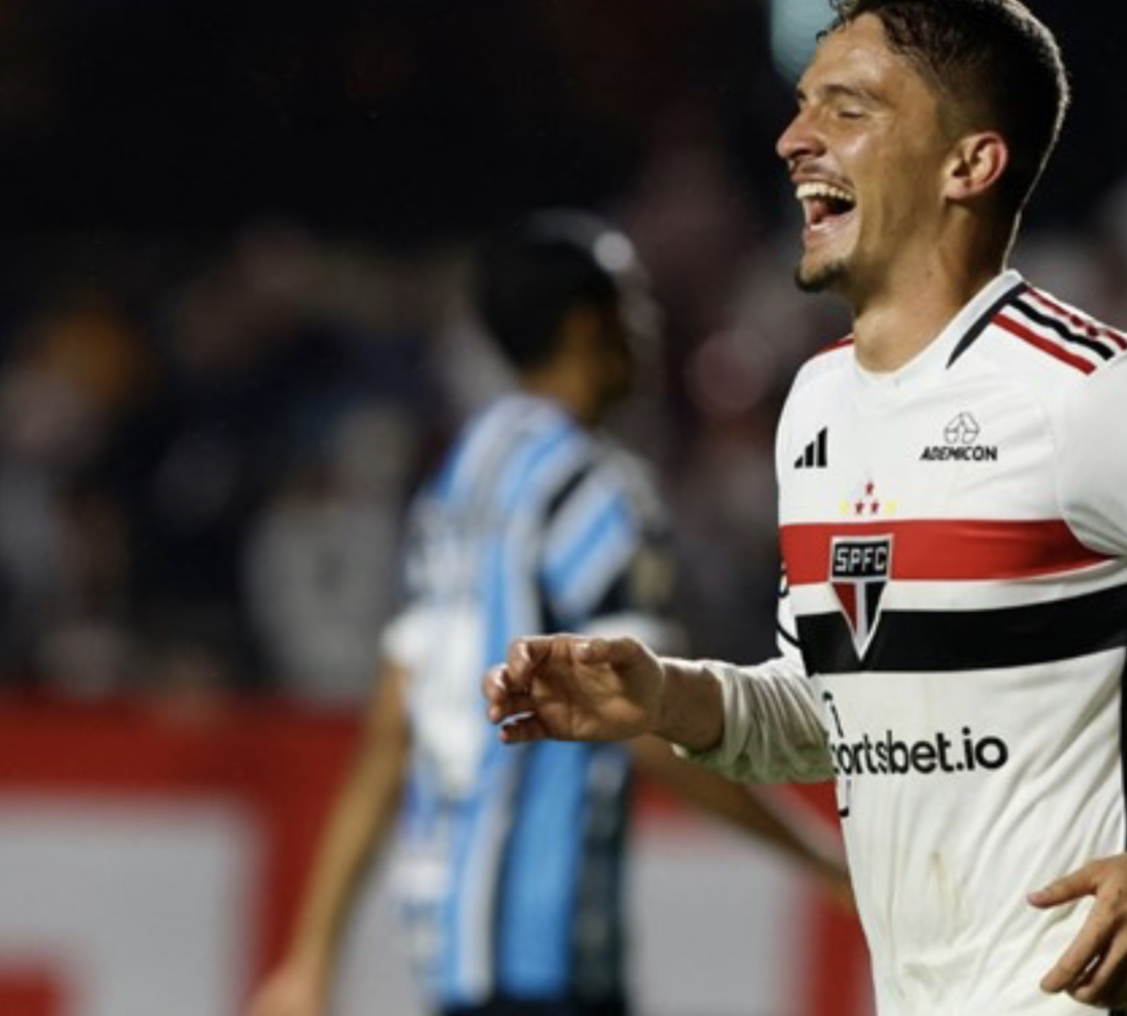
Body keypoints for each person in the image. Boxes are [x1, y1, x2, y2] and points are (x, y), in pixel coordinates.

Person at [486, 3, 1127, 1015]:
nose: (792, 138)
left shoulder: (1099, 395)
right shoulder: (817, 406)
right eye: (802, 107)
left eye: (846, 109)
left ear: (967, 165)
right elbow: (847, 707)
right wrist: (669, 697)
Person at [250, 212, 848, 1016]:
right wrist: (822, 862)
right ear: (584, 327)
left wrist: (309, 955)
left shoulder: (460, 481)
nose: (649, 327)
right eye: (632, 305)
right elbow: (654, 728)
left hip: (452, 946)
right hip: (544, 942)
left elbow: (393, 724)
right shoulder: (595, 493)